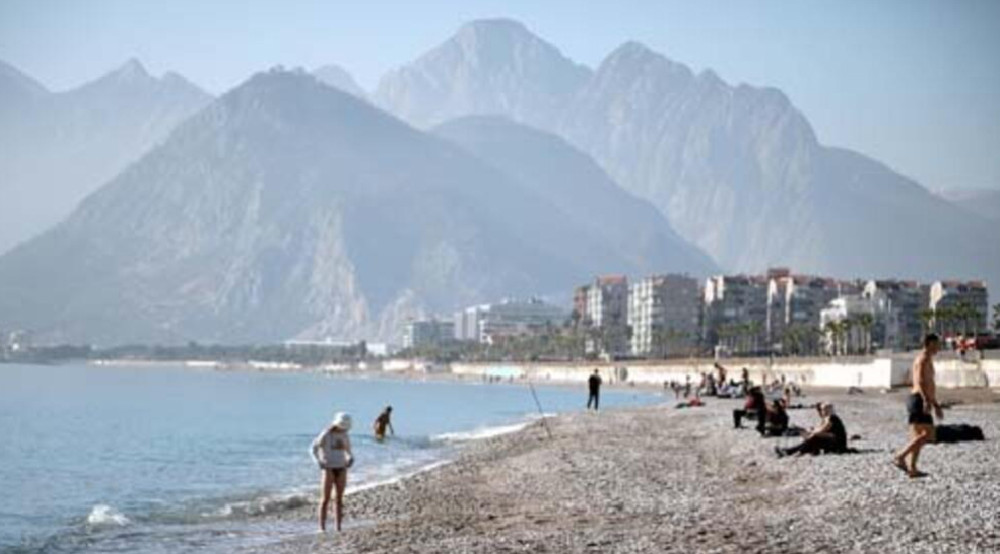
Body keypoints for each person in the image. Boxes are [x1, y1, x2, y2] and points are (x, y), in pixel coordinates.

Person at [893, 333, 943, 478]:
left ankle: (912, 468)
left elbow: (928, 384)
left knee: (919, 436)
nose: (938, 347)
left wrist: (935, 404)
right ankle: (900, 456)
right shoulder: (923, 359)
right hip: (919, 399)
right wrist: (926, 400)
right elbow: (920, 382)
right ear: (929, 344)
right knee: (927, 435)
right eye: (936, 344)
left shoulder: (926, 359)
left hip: (921, 399)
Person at [310, 412, 353, 532]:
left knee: (339, 499)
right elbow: (313, 449)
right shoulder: (326, 434)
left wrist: (350, 458)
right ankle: (321, 528)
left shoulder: (345, 434)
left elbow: (349, 451)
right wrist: (318, 462)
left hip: (342, 468)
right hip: (328, 468)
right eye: (342, 425)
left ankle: (338, 527)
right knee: (325, 499)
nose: (343, 428)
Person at [775, 402, 847, 457]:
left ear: (828, 410)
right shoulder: (828, 418)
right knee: (813, 438)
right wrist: (810, 431)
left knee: (814, 437)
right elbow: (820, 429)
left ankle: (792, 452)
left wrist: (810, 433)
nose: (822, 411)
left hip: (838, 445)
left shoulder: (832, 419)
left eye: (823, 409)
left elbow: (822, 430)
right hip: (834, 442)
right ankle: (790, 451)